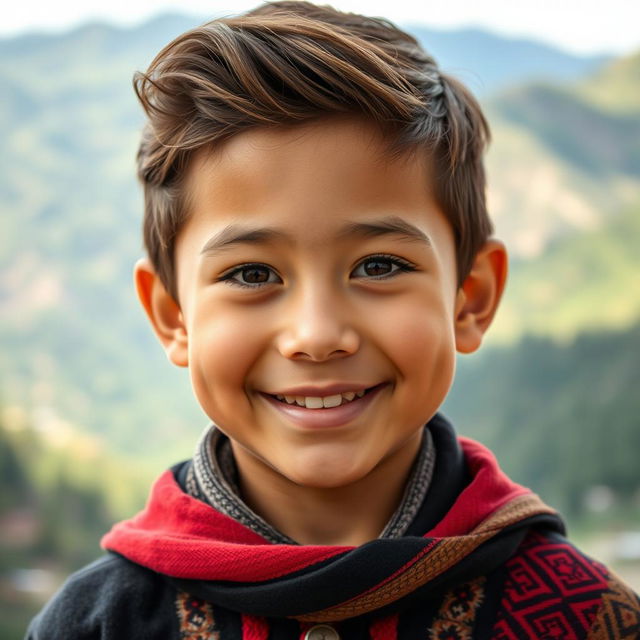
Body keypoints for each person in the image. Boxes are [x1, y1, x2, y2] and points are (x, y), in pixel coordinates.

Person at [26, 2, 640, 638]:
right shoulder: (97, 624)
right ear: (173, 315)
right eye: (252, 274)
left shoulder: (585, 616)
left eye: (377, 267)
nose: (317, 335)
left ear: (470, 298)